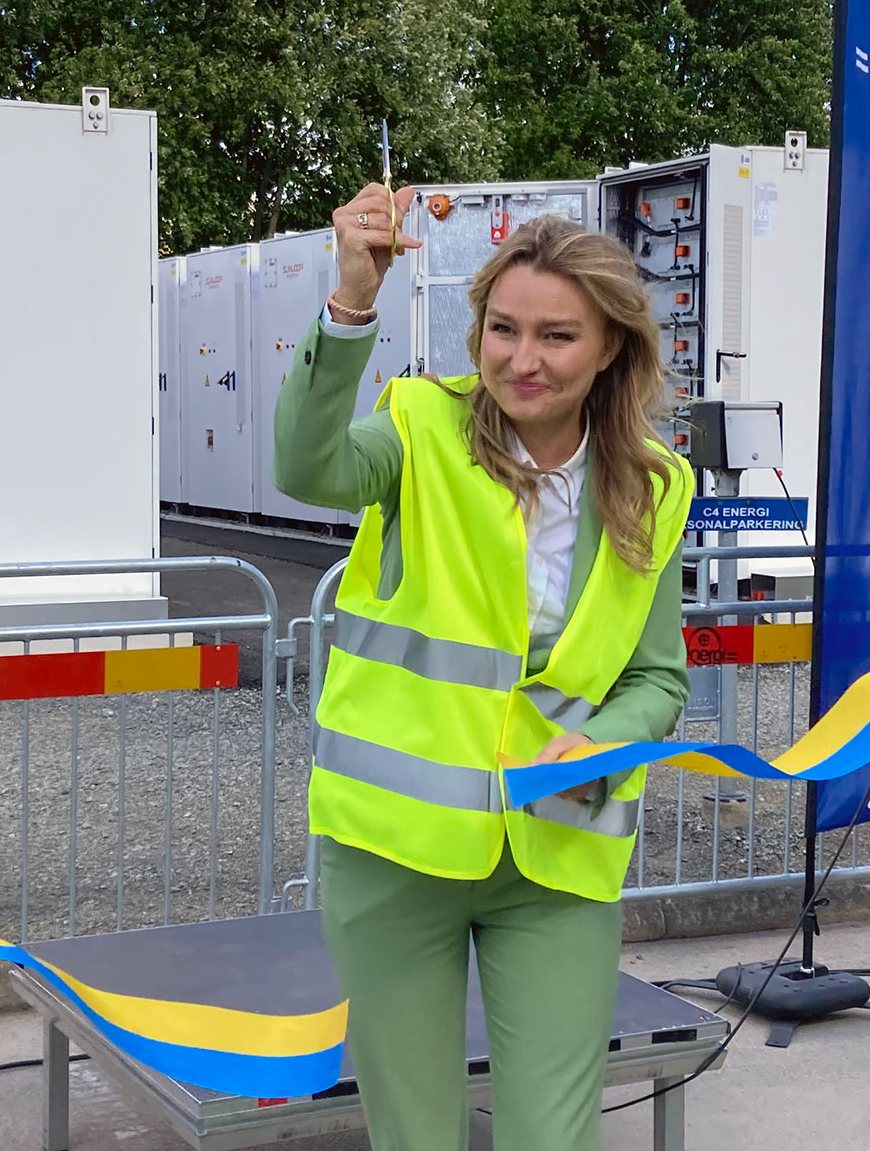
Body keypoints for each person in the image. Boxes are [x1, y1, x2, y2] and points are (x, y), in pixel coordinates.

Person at [275, 184, 695, 1151]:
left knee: (554, 1135)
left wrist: (602, 741)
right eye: (503, 329)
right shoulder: (419, 427)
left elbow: (658, 678)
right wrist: (351, 301)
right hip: (395, 852)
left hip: (558, 851)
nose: (522, 358)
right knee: (418, 1135)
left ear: (610, 347)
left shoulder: (656, 483)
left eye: (557, 335)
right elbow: (304, 467)